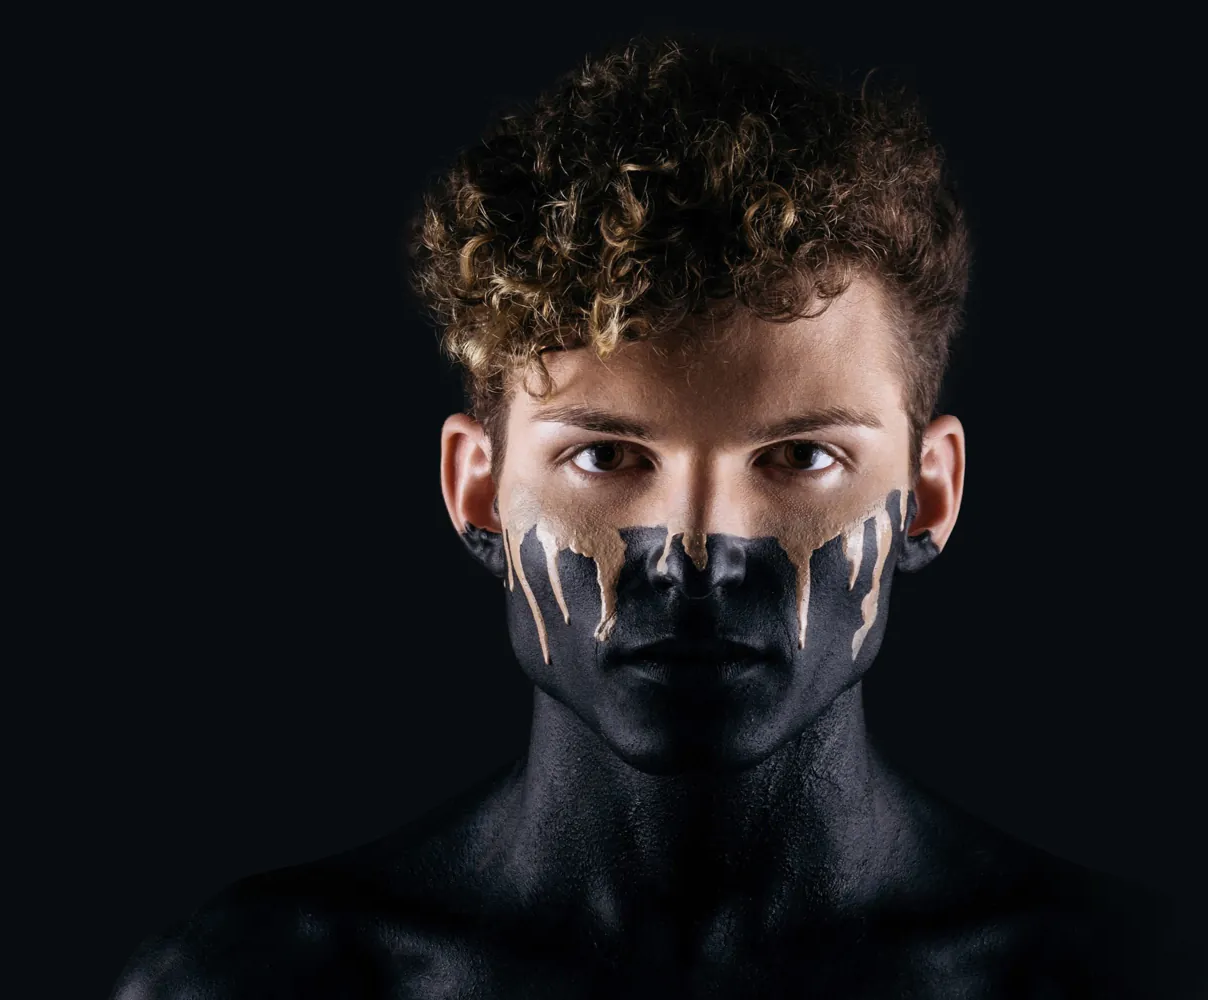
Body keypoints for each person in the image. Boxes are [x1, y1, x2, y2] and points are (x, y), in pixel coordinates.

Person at [112, 36, 1195, 997]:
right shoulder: (267, 979)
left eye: (800, 455)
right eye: (605, 455)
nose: (695, 547)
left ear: (931, 489)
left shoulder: (1116, 973)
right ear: (475, 487)